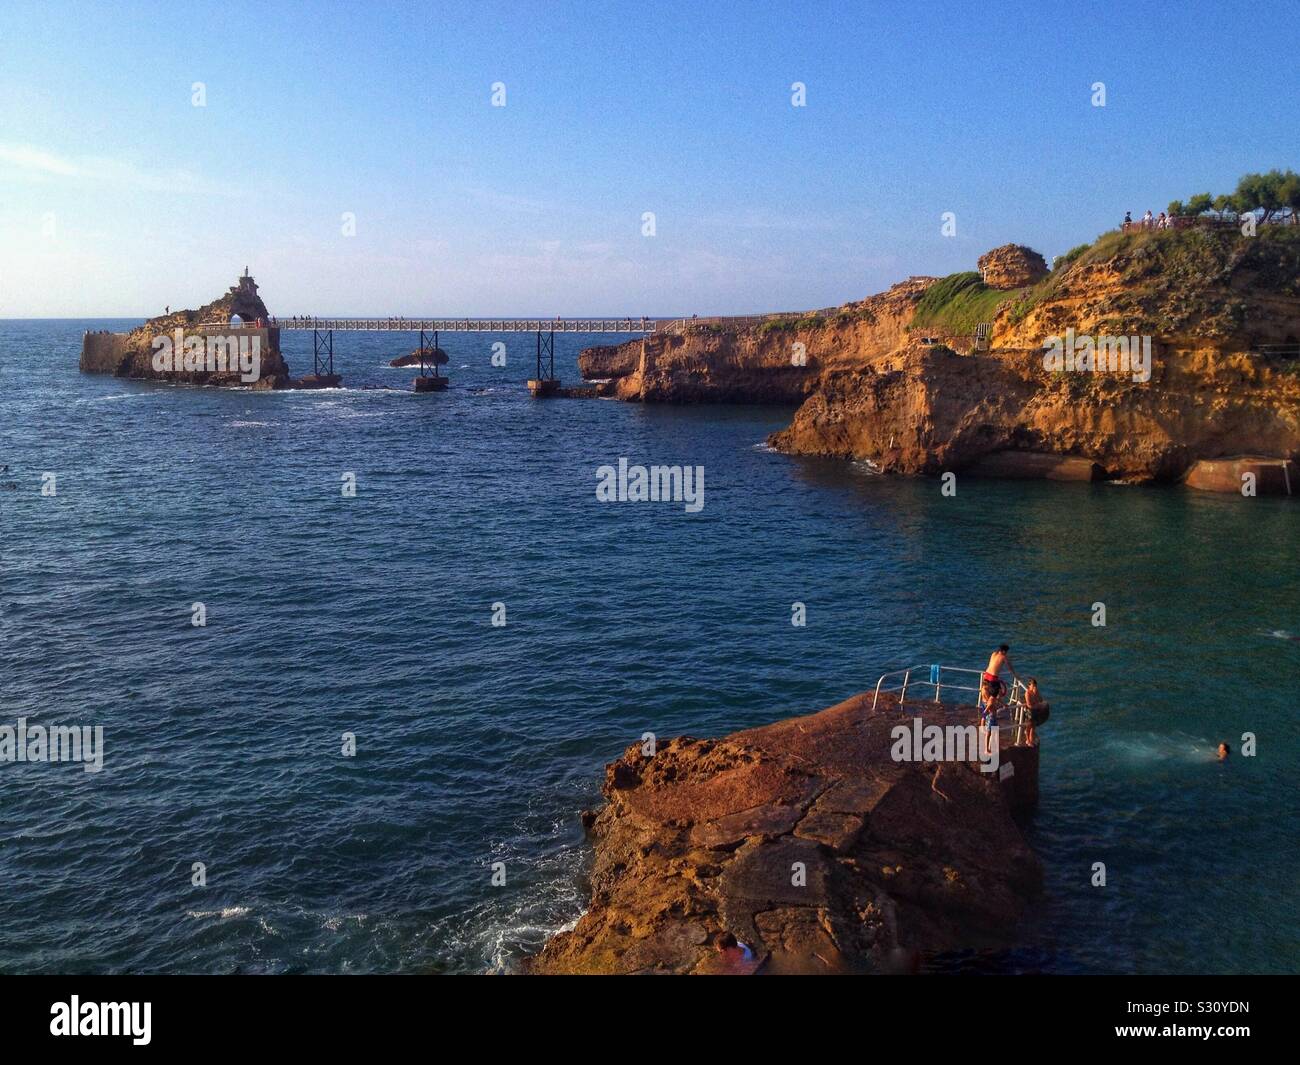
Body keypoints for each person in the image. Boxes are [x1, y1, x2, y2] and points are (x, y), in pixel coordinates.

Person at [1023, 677, 1050, 746]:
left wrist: (1036, 694)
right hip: (1030, 712)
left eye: (1035, 686)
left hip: (1035, 711)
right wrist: (1037, 706)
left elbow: (1041, 700)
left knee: (1033, 727)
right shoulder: (1027, 693)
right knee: (1029, 727)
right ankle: (1028, 740)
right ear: (1029, 685)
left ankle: (1031, 740)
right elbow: (1029, 705)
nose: (1034, 687)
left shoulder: (1035, 692)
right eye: (1033, 685)